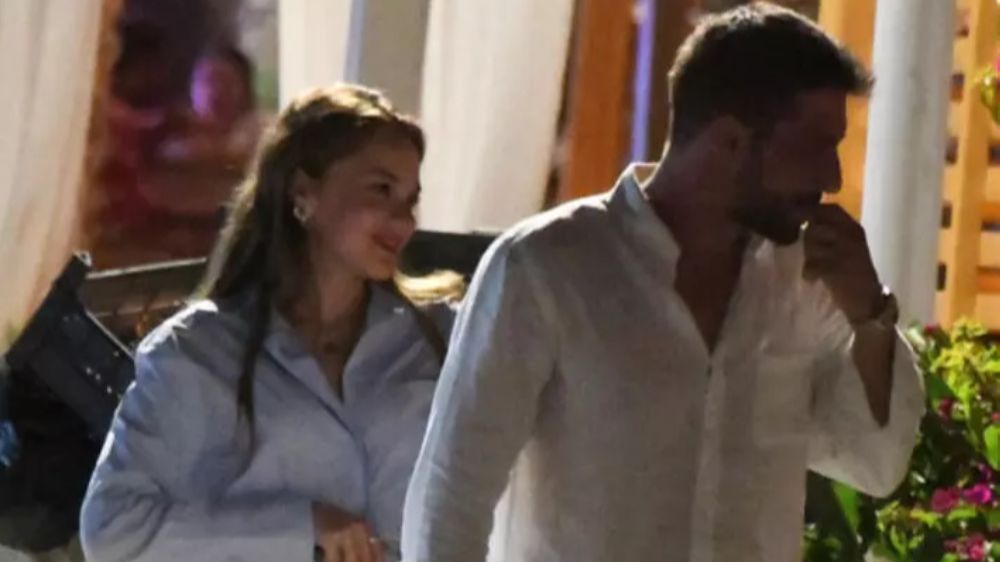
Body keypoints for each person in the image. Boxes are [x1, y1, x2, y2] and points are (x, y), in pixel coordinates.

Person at [401, 4, 925, 562]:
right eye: (815, 146)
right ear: (730, 141)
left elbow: (875, 464)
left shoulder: (810, 280)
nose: (833, 177)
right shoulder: (546, 269)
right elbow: (450, 500)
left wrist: (869, 314)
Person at [80, 84, 458, 562]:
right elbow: (112, 531)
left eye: (410, 200)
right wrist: (301, 526)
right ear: (303, 191)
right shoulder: (198, 352)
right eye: (381, 190)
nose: (403, 222)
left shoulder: (438, 338)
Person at [145, 46, 267, 259]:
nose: (215, 92)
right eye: (207, 81)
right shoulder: (175, 145)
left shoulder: (263, 131)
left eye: (226, 82)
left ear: (245, 88)